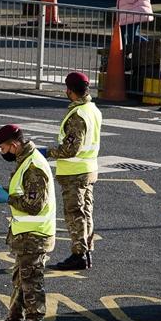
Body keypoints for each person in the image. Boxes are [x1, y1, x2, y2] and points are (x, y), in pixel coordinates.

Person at [0, 124, 56, 321]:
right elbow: (25, 192)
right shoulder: (26, 160)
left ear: (14, 145)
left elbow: (34, 205)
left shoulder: (34, 166)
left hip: (35, 235)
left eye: (3, 147)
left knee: (31, 281)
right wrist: (6, 190)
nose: (2, 152)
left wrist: (7, 198)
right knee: (20, 279)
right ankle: (14, 320)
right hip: (25, 235)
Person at [45, 72, 102, 271]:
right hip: (89, 169)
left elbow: (70, 149)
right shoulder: (92, 109)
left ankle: (79, 254)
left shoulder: (78, 115)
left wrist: (47, 152)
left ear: (70, 90)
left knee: (74, 214)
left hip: (75, 173)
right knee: (86, 212)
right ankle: (86, 252)